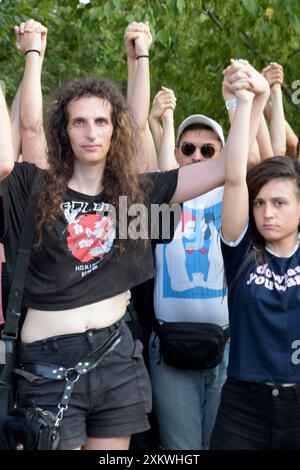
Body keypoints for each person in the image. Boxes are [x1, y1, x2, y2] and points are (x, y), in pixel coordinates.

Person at [0, 20, 227, 450]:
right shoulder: (34, 189)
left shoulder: (131, 199)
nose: (91, 132)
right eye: (79, 122)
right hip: (48, 364)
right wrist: (33, 55)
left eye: (101, 122)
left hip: (114, 354)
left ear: (112, 131)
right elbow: (28, 132)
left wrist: (243, 104)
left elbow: (219, 165)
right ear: (62, 132)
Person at [210, 59, 300, 450]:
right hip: (243, 404)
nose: (266, 212)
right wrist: (245, 103)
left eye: (279, 203)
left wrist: (269, 94)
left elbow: (277, 151)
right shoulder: (242, 248)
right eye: (260, 202)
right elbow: (234, 176)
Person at [148, 112, 230, 450]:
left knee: (222, 444)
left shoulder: (233, 199)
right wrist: (163, 122)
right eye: (188, 148)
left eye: (208, 151)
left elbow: (247, 159)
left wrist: (242, 102)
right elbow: (157, 169)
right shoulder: (161, 204)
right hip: (170, 351)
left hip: (225, 348)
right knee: (181, 451)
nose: (196, 156)